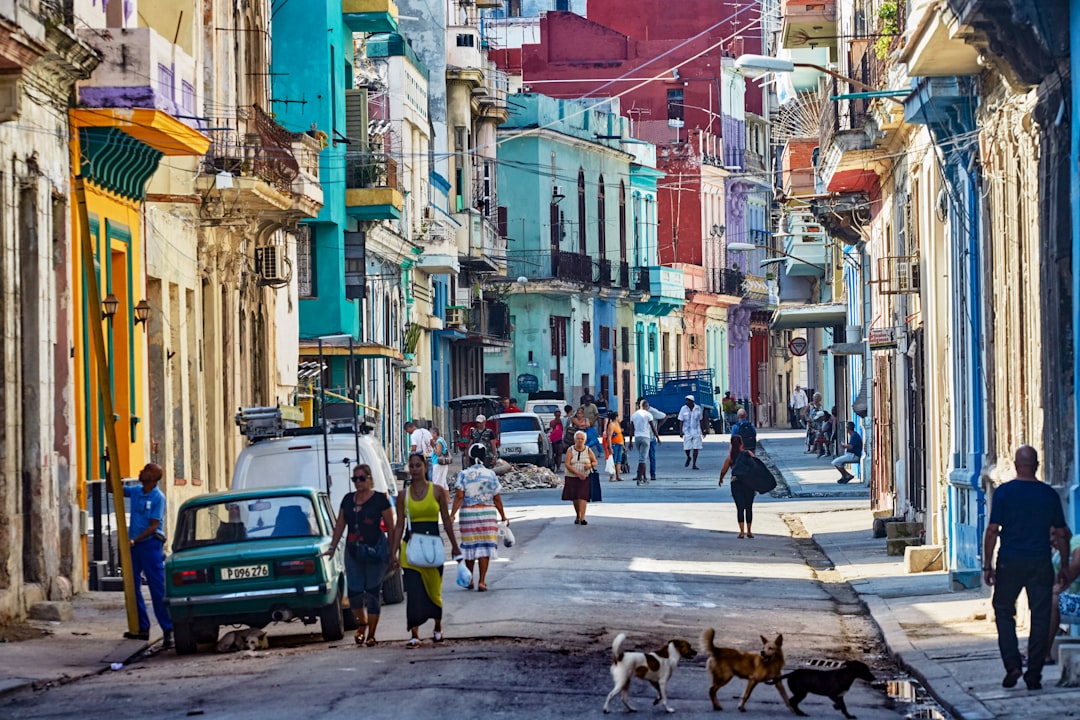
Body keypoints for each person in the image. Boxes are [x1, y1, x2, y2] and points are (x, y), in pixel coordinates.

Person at [982, 446, 1071, 691]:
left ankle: (1012, 664)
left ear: (1015, 464)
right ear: (1037, 465)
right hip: (1040, 562)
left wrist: (987, 566)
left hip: (1010, 560)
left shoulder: (1004, 493)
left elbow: (992, 531)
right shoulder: (1048, 495)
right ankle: (1034, 673)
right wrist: (1064, 565)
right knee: (1041, 616)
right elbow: (1062, 534)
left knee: (1003, 612)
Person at [391, 453, 460, 648]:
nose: (414, 469)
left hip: (433, 547)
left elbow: (446, 520)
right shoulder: (403, 496)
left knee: (434, 589)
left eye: (417, 465)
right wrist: (393, 553)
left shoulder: (437, 491)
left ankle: (438, 627)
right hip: (410, 548)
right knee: (414, 591)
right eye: (411, 466)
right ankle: (414, 633)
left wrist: (455, 545)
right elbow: (399, 526)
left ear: (425, 467)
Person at [325, 464, 394, 646]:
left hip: (375, 551)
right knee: (354, 592)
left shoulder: (379, 499)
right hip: (353, 551)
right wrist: (333, 547)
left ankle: (371, 634)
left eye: (362, 478)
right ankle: (362, 625)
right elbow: (340, 525)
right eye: (354, 479)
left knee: (372, 592)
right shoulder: (348, 500)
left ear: (370, 479)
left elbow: (391, 527)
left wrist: (393, 553)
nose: (358, 482)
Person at [109, 463, 173, 647]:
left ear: (152, 476)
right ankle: (141, 628)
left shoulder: (158, 498)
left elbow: (154, 525)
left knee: (157, 588)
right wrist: (110, 466)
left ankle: (168, 629)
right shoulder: (137, 491)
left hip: (150, 545)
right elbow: (114, 489)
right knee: (131, 586)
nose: (140, 471)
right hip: (134, 546)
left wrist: (135, 540)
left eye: (145, 469)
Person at [451, 445, 509, 592]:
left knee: (470, 547)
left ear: (469, 458)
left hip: (468, 515)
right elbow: (496, 498)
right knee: (484, 548)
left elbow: (459, 496)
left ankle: (470, 579)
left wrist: (452, 514)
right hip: (487, 515)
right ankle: (482, 581)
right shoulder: (491, 475)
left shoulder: (464, 474)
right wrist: (503, 516)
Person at [717, 435, 756, 539]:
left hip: (736, 483)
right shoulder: (748, 454)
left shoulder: (730, 457)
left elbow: (724, 470)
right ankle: (749, 531)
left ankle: (742, 532)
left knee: (740, 508)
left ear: (731, 444)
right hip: (749, 483)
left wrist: (721, 479)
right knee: (749, 507)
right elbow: (756, 466)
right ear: (741, 444)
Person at [562, 431, 597, 525]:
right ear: (574, 439)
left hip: (585, 476)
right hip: (571, 476)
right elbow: (567, 464)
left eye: (582, 439)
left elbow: (594, 462)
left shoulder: (588, 450)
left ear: (585, 440)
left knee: (583, 496)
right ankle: (578, 514)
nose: (580, 440)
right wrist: (577, 473)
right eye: (578, 438)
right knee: (575, 497)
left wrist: (589, 465)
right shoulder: (570, 449)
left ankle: (583, 518)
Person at [630, 400, 661, 485]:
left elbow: (631, 429)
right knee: (642, 460)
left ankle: (644, 478)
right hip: (646, 437)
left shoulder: (634, 415)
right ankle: (639, 479)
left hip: (637, 438)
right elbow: (653, 427)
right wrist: (657, 437)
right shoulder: (648, 414)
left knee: (642, 458)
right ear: (646, 406)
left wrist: (630, 441)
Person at [677, 395, 704, 470]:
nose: (686, 402)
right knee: (687, 447)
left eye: (688, 400)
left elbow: (701, 420)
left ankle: (694, 464)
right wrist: (681, 431)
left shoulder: (698, 408)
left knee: (696, 447)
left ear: (692, 401)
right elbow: (681, 420)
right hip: (687, 431)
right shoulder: (683, 409)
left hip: (696, 431)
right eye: (686, 400)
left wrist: (703, 430)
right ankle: (688, 457)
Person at [605, 412, 625, 482]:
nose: (619, 418)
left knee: (618, 461)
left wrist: (623, 445)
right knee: (613, 461)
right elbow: (609, 437)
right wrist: (610, 447)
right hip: (614, 444)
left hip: (619, 444)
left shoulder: (617, 424)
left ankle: (618, 476)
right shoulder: (611, 425)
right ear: (616, 417)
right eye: (619, 416)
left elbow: (619, 435)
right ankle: (612, 476)